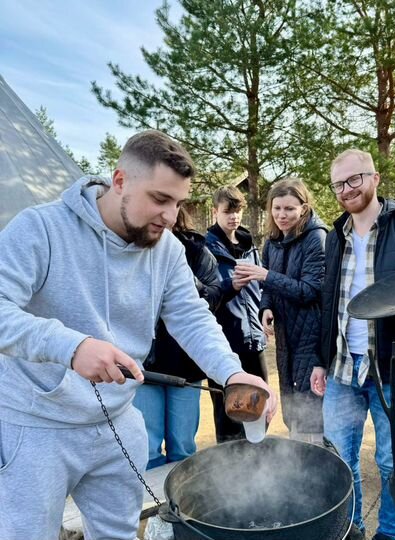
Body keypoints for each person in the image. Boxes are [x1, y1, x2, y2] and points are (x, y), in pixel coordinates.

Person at [0, 130, 276, 540]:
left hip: (117, 420)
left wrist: (231, 373)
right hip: (37, 425)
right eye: (160, 199)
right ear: (120, 181)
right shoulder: (40, 228)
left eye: (178, 203)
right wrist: (71, 346)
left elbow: (191, 317)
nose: (169, 216)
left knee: (121, 535)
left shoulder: (166, 249)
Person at [315, 149, 395, 540]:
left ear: (374, 178)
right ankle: (350, 530)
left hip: (392, 366)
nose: (346, 189)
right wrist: (321, 361)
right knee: (340, 458)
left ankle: (390, 533)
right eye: (339, 184)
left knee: (390, 462)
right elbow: (329, 302)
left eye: (354, 179)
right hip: (342, 366)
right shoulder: (334, 236)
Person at [234, 177, 327, 442]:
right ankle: (298, 460)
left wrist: (265, 276)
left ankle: (319, 462)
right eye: (277, 209)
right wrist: (266, 307)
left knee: (312, 410)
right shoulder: (274, 241)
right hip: (287, 337)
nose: (282, 215)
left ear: (304, 208)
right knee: (291, 403)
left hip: (311, 337)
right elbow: (271, 289)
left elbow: (310, 290)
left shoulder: (315, 238)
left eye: (289, 209)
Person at [133, 204, 222, 469]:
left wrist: (181, 278)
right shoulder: (132, 248)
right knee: (146, 448)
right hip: (145, 365)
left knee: (183, 447)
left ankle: (179, 507)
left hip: (187, 367)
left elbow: (214, 295)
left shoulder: (197, 250)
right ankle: (151, 507)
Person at [205, 185, 268, 442]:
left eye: (238, 210)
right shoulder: (205, 249)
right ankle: (229, 474)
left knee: (259, 407)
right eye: (228, 211)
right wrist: (230, 287)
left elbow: (263, 287)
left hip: (255, 341)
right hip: (223, 346)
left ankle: (262, 470)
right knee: (228, 415)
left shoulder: (249, 246)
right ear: (215, 211)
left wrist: (267, 309)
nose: (234, 217)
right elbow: (203, 298)